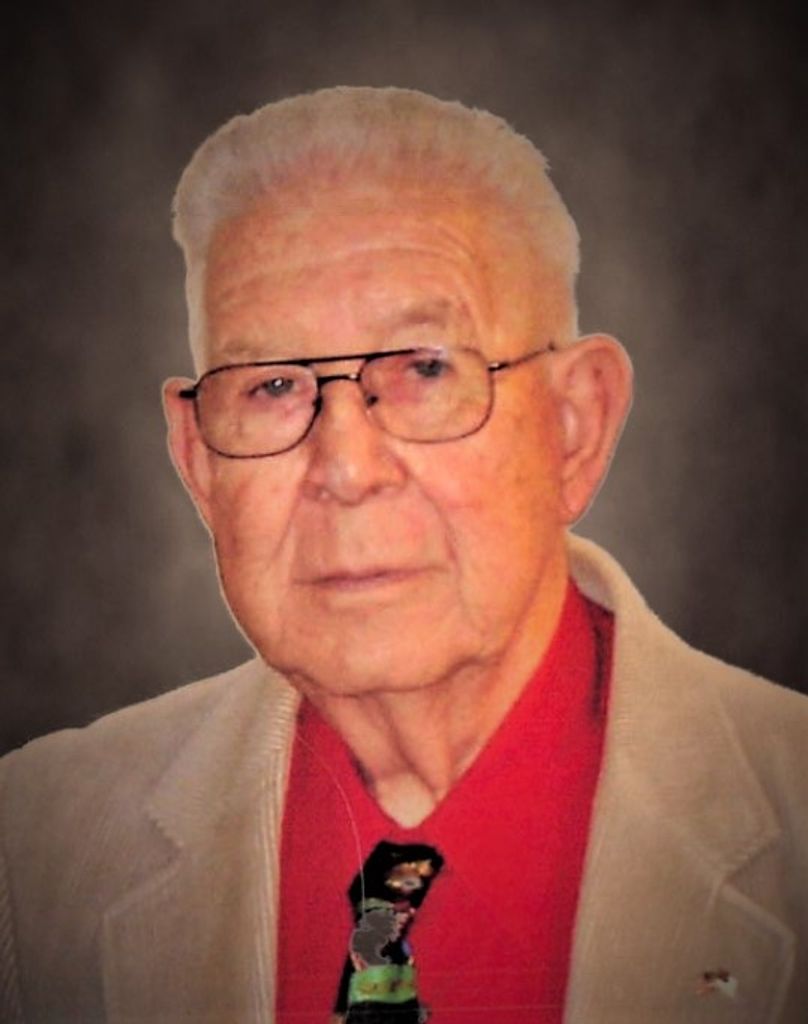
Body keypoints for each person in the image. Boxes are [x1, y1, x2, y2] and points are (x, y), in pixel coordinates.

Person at [1, 86, 805, 1024]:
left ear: (574, 428)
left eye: (425, 368)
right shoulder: (31, 849)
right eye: (271, 387)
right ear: (198, 461)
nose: (346, 468)